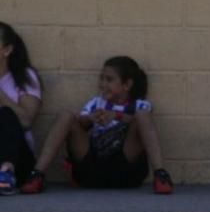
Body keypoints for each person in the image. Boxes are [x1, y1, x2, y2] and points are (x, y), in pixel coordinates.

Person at [21, 56, 174, 195]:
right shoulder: (96, 103)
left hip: (125, 167)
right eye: (101, 79)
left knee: (142, 116)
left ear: (127, 85)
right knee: (66, 115)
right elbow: (80, 122)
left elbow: (144, 123)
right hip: (92, 166)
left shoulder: (140, 104)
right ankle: (37, 174)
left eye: (109, 79)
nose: (103, 84)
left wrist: (117, 115)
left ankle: (160, 175)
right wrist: (90, 119)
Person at [0, 22, 43, 195]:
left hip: (19, 158)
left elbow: (26, 122)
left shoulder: (24, 77)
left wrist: (3, 98)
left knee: (6, 114)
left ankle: (6, 172)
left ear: (7, 50)